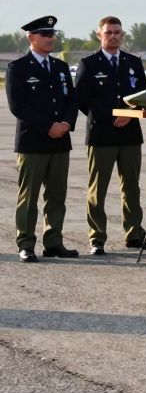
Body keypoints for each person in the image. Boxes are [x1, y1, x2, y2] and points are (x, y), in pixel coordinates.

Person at [75, 16, 146, 254]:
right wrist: (111, 117)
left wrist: (129, 115)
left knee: (131, 187)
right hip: (101, 135)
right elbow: (82, 99)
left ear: (122, 35)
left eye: (117, 32)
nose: (113, 36)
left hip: (130, 133)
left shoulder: (133, 62)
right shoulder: (88, 63)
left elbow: (143, 95)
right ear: (99, 35)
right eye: (108, 32)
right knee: (97, 189)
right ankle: (97, 237)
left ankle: (134, 234)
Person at [5, 16, 80, 262]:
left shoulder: (60, 67)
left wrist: (66, 124)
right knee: (29, 197)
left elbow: (71, 100)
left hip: (60, 142)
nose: (50, 38)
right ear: (31, 37)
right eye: (44, 34)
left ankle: (54, 242)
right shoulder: (18, 68)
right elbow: (18, 106)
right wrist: (49, 126)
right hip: (33, 142)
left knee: (57, 196)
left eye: (52, 34)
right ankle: (25, 243)